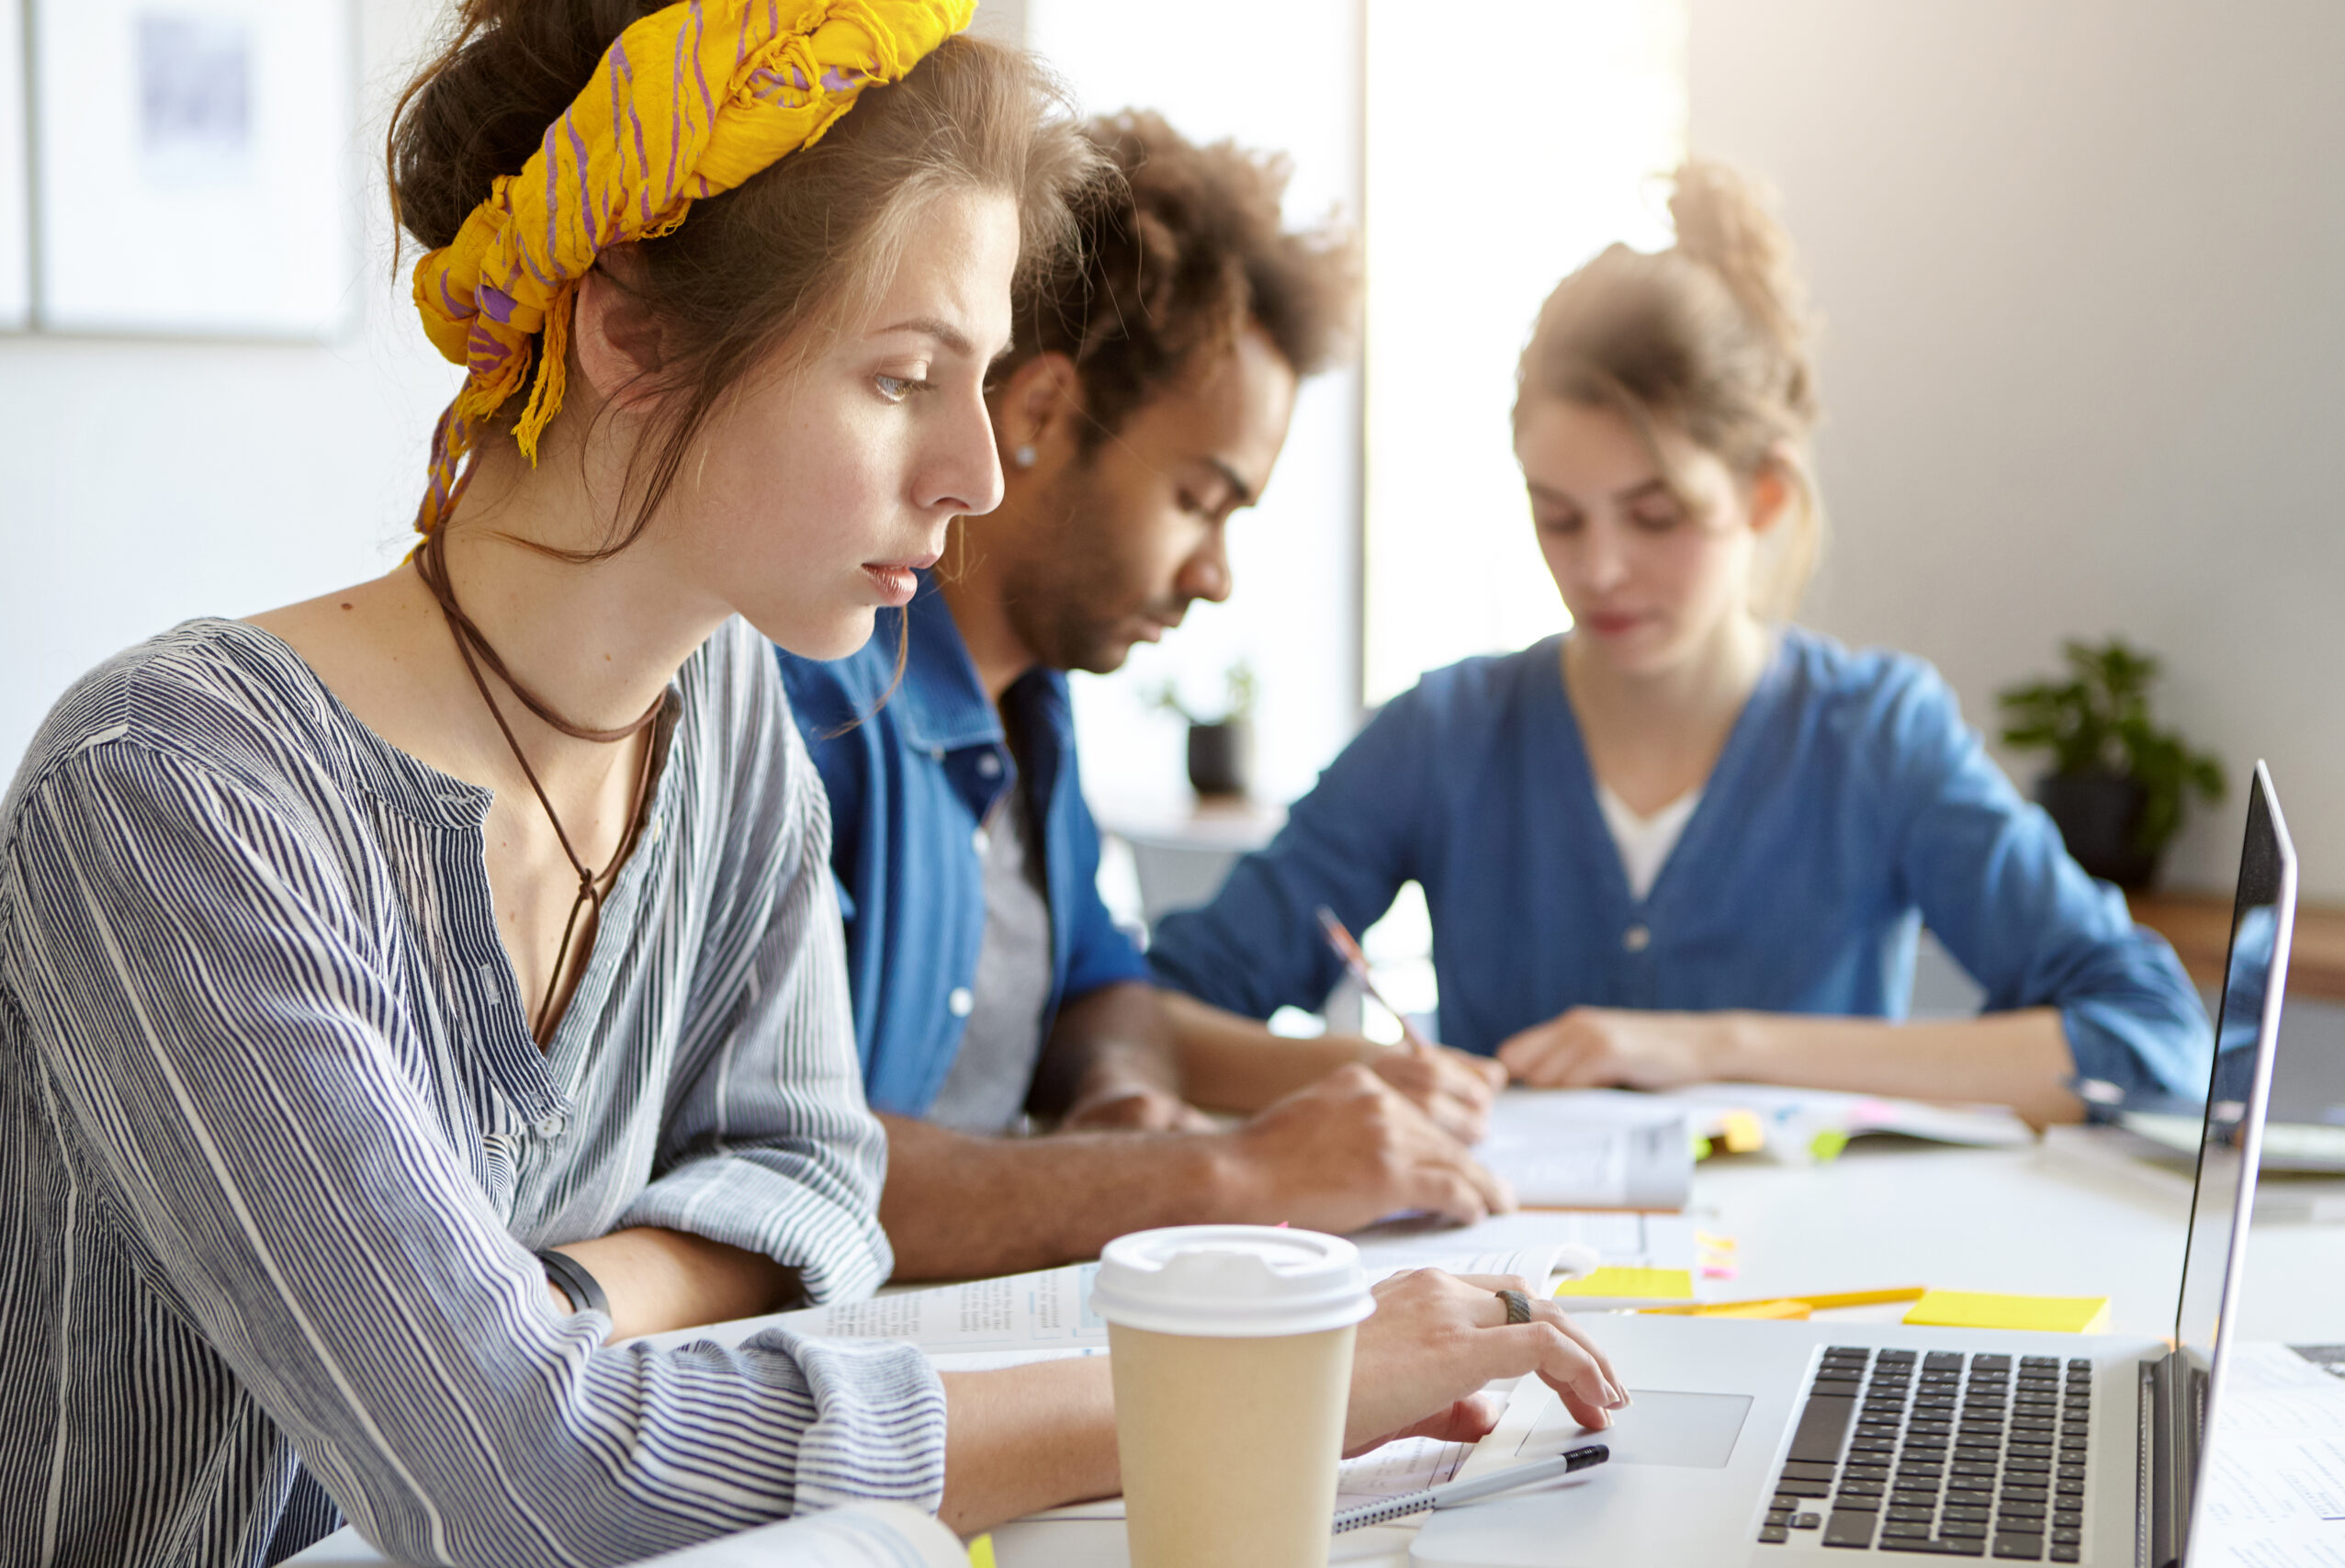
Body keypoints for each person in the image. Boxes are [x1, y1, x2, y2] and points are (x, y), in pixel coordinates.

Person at [0, 7, 1624, 1564]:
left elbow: (822, 1180)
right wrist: (1257, 1386)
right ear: (630, 330)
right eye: (906, 376)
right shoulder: (169, 798)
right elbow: (532, 1480)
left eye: (985, 385)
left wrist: (544, 1305)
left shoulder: (723, 724)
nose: (979, 473)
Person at [1149, 163, 2212, 1126]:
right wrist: (1376, 1079)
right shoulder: (1445, 733)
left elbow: (2150, 1038)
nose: (1599, 569)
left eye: (1654, 516)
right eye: (1558, 516)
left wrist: (1712, 1050)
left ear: (1761, 493)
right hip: (1515, 1307)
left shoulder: (1876, 735)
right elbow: (1147, 1018)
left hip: (1813, 1300)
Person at [779, 111, 1509, 1284]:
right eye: (1198, 500)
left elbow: (1100, 986)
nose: (1212, 574)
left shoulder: (1030, 711)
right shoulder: (813, 706)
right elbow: (798, 1179)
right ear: (1042, 417)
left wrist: (1120, 1091)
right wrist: (1226, 1175)